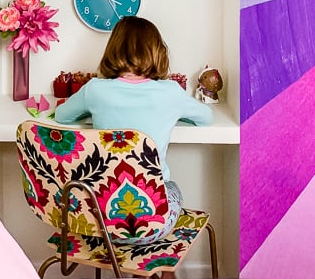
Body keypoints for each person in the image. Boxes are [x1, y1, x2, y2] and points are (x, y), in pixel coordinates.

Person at [54, 16, 213, 244]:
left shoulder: (95, 90)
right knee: (172, 187)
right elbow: (206, 118)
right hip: (153, 226)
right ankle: (161, 269)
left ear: (113, 49)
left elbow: (62, 116)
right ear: (157, 52)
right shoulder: (170, 92)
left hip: (101, 220)